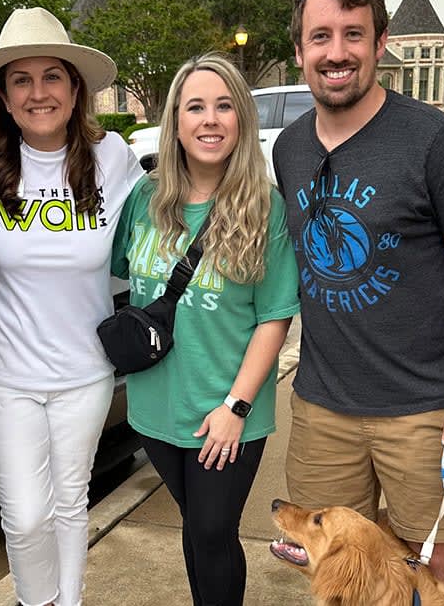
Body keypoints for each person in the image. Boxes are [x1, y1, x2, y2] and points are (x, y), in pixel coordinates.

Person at [273, 0, 444, 606]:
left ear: (380, 44)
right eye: (321, 37)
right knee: (326, 561)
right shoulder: (289, 149)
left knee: (433, 559)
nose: (337, 52)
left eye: (354, 34)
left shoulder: (433, 140)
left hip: (426, 406)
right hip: (324, 403)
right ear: (300, 52)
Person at [0, 7, 144, 606]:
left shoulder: (112, 156)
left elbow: (161, 230)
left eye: (52, 76)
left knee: (70, 504)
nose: (39, 93)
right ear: (4, 97)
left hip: (86, 373)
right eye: (21, 80)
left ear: (75, 87)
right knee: (26, 516)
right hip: (5, 378)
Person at [111, 53, 301, 606]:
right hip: (155, 407)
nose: (210, 119)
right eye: (195, 107)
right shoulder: (145, 200)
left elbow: (274, 317)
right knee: (197, 529)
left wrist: (236, 407)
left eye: (224, 106)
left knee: (214, 532)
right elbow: (109, 274)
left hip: (227, 415)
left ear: (241, 119)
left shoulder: (263, 207)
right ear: (176, 121)